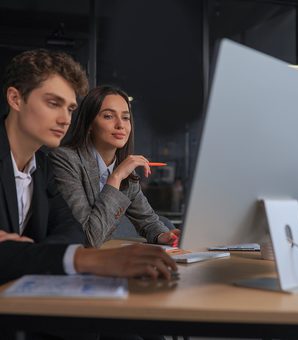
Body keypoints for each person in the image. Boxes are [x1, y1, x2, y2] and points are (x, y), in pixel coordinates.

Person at [0, 49, 177, 286]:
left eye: (70, 109)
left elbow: (73, 234)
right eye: (53, 103)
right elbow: (85, 240)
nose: (65, 119)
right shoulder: (60, 160)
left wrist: (25, 251)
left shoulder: (41, 167)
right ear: (15, 99)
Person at [50, 85, 181, 248]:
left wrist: (163, 235)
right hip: (70, 262)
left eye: (125, 118)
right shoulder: (65, 159)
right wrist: (116, 177)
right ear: (89, 124)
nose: (120, 125)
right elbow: (88, 239)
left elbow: (148, 221)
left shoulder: (124, 167)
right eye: (108, 116)